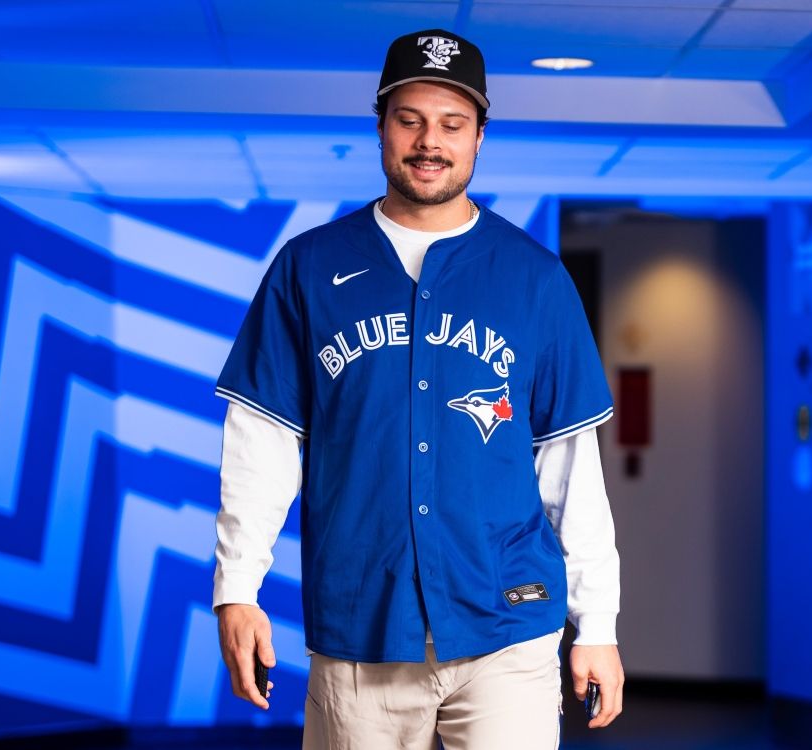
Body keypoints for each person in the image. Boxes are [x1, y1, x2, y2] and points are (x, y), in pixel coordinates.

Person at [213, 28, 624, 749]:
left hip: (506, 625)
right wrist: (236, 588)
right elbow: (264, 444)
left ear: (479, 136)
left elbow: (570, 468)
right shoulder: (307, 269)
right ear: (380, 125)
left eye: (452, 124)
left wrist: (598, 624)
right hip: (361, 626)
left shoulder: (534, 280)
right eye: (410, 120)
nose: (429, 141)